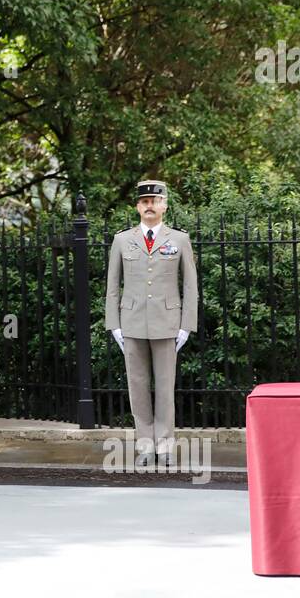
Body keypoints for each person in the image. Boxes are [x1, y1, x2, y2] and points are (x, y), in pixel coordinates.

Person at [104, 180, 198, 466]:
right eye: (144, 201)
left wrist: (186, 325)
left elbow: (191, 286)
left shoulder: (179, 239)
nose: (149, 205)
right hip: (131, 323)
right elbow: (112, 285)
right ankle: (146, 446)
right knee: (138, 386)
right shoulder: (122, 240)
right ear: (137, 206)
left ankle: (166, 446)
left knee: (166, 387)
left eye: (154, 201)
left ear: (164, 205)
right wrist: (114, 324)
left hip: (167, 323)